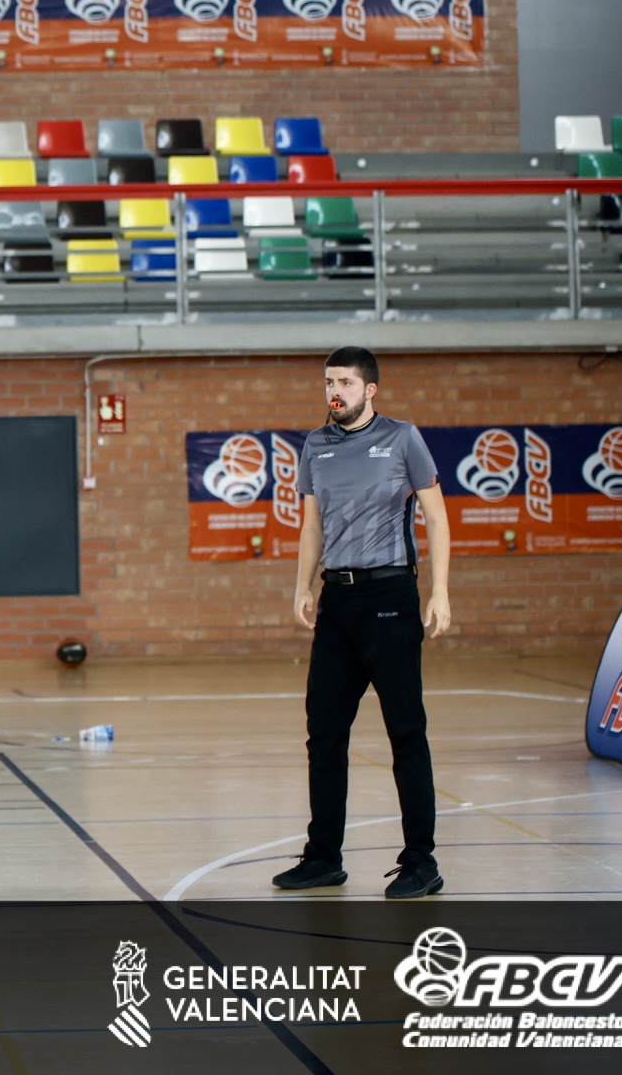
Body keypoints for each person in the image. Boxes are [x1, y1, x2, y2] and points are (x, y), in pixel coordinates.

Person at [275, 346, 453, 901]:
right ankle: (324, 857)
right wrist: (304, 586)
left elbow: (436, 517)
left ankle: (421, 861)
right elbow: (311, 527)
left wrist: (440, 591)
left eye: (346, 383)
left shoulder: (403, 438)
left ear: (370, 389)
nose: (335, 391)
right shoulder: (315, 445)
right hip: (337, 602)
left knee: (406, 732)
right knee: (324, 733)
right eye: (329, 382)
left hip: (390, 597)